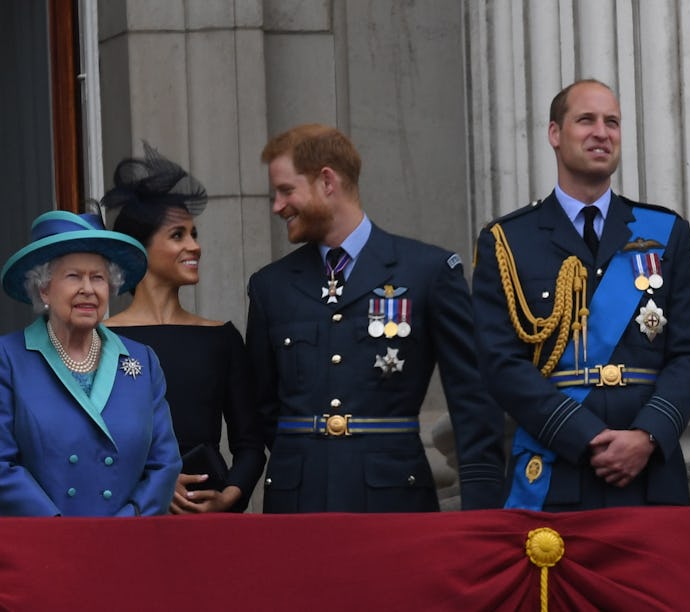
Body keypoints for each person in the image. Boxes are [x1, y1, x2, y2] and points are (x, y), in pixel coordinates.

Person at [472, 79, 690, 511]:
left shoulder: (665, 233)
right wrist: (582, 434)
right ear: (555, 134)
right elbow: (499, 361)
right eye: (587, 120)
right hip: (557, 466)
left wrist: (647, 435)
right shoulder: (508, 240)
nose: (602, 132)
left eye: (612, 122)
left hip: (650, 474)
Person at [246, 124, 504, 513]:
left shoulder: (428, 270)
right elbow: (263, 407)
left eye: (286, 190)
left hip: (393, 499)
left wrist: (483, 507)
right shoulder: (271, 286)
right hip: (297, 502)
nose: (278, 206)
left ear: (327, 181)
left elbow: (471, 397)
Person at [102, 143, 265, 513]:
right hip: (129, 517)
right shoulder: (99, 339)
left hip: (207, 520)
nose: (195, 246)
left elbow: (251, 445)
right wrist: (151, 481)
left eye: (194, 234)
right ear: (138, 249)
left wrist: (229, 496)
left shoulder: (221, 337)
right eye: (178, 235)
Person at [0, 209, 181, 516]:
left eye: (98, 278)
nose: (88, 289)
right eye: (74, 276)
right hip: (44, 543)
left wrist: (129, 519)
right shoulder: (8, 359)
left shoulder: (142, 361)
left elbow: (165, 463)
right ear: (43, 288)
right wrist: (61, 528)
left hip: (125, 541)